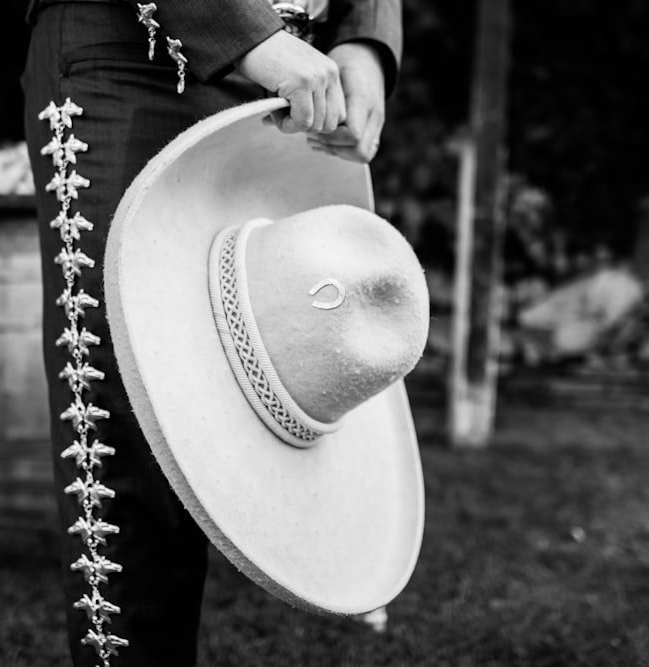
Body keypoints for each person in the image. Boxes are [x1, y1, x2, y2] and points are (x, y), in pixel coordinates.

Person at [21, 1, 401, 665]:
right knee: (131, 426)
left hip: (297, 70)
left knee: (268, 363)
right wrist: (243, 31)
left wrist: (363, 41)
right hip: (129, 49)